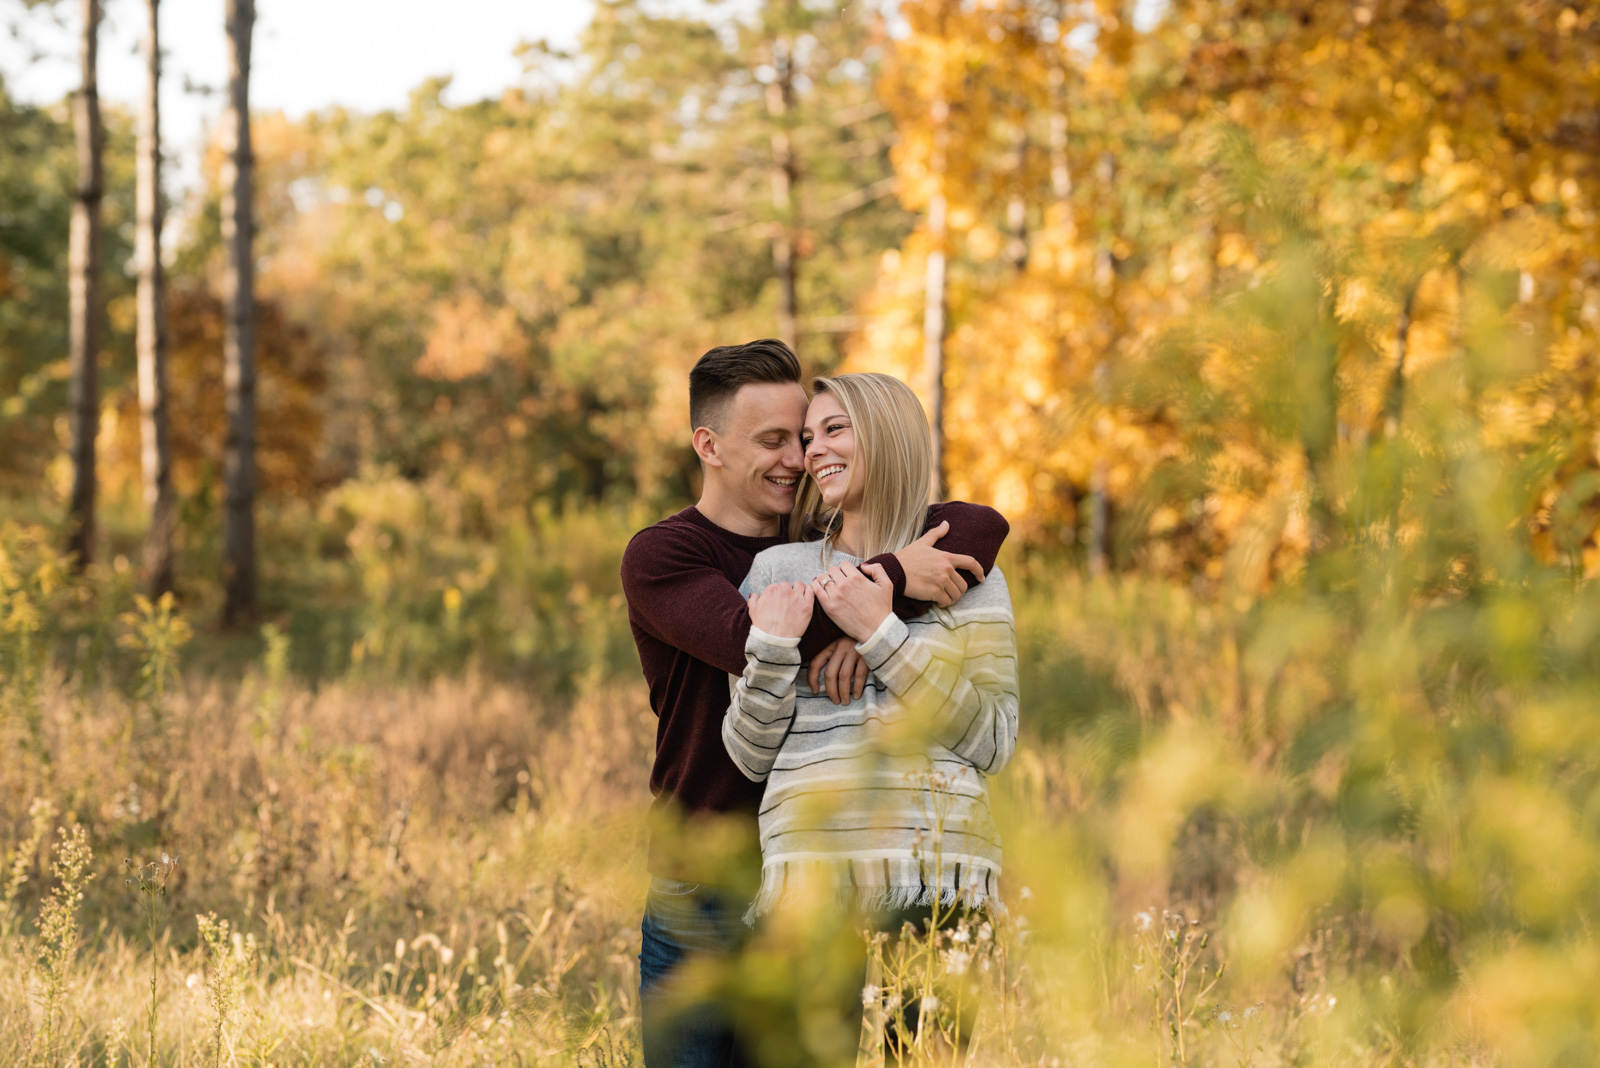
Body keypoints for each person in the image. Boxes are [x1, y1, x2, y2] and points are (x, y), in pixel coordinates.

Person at [619, 340, 1009, 1068]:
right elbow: (752, 634)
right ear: (709, 445)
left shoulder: (814, 542)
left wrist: (874, 627)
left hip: (806, 869)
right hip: (703, 874)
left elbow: (980, 524)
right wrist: (891, 579)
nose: (797, 460)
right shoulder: (666, 555)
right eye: (774, 442)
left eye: (804, 438)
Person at [722, 372, 1019, 1062]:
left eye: (834, 430)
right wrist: (769, 649)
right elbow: (745, 754)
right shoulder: (777, 572)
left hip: (937, 875)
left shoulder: (966, 572)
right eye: (806, 436)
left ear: (885, 436)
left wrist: (882, 634)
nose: (812, 452)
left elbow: (995, 739)